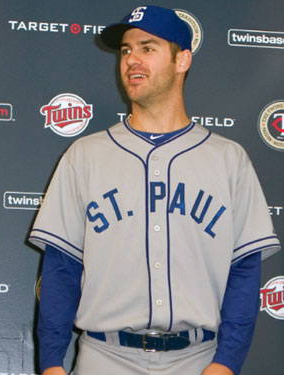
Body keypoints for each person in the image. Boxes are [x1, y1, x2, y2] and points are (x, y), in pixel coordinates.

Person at [29, 5, 280, 375]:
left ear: (183, 60)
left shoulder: (228, 159)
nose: (132, 60)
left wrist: (226, 363)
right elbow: (61, 269)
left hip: (197, 358)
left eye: (148, 48)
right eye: (126, 50)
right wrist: (51, 363)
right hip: (104, 356)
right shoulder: (85, 155)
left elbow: (243, 270)